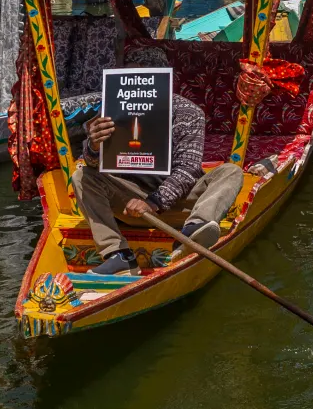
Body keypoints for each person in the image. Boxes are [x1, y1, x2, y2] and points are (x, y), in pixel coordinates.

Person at [75, 47, 246, 275]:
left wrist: (154, 202)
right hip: (129, 204)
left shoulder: (187, 113)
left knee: (231, 172)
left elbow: (188, 169)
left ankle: (194, 229)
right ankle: (118, 254)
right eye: (130, 78)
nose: (137, 85)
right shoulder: (112, 111)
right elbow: (92, 164)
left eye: (145, 77)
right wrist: (93, 146)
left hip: (177, 205)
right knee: (81, 175)